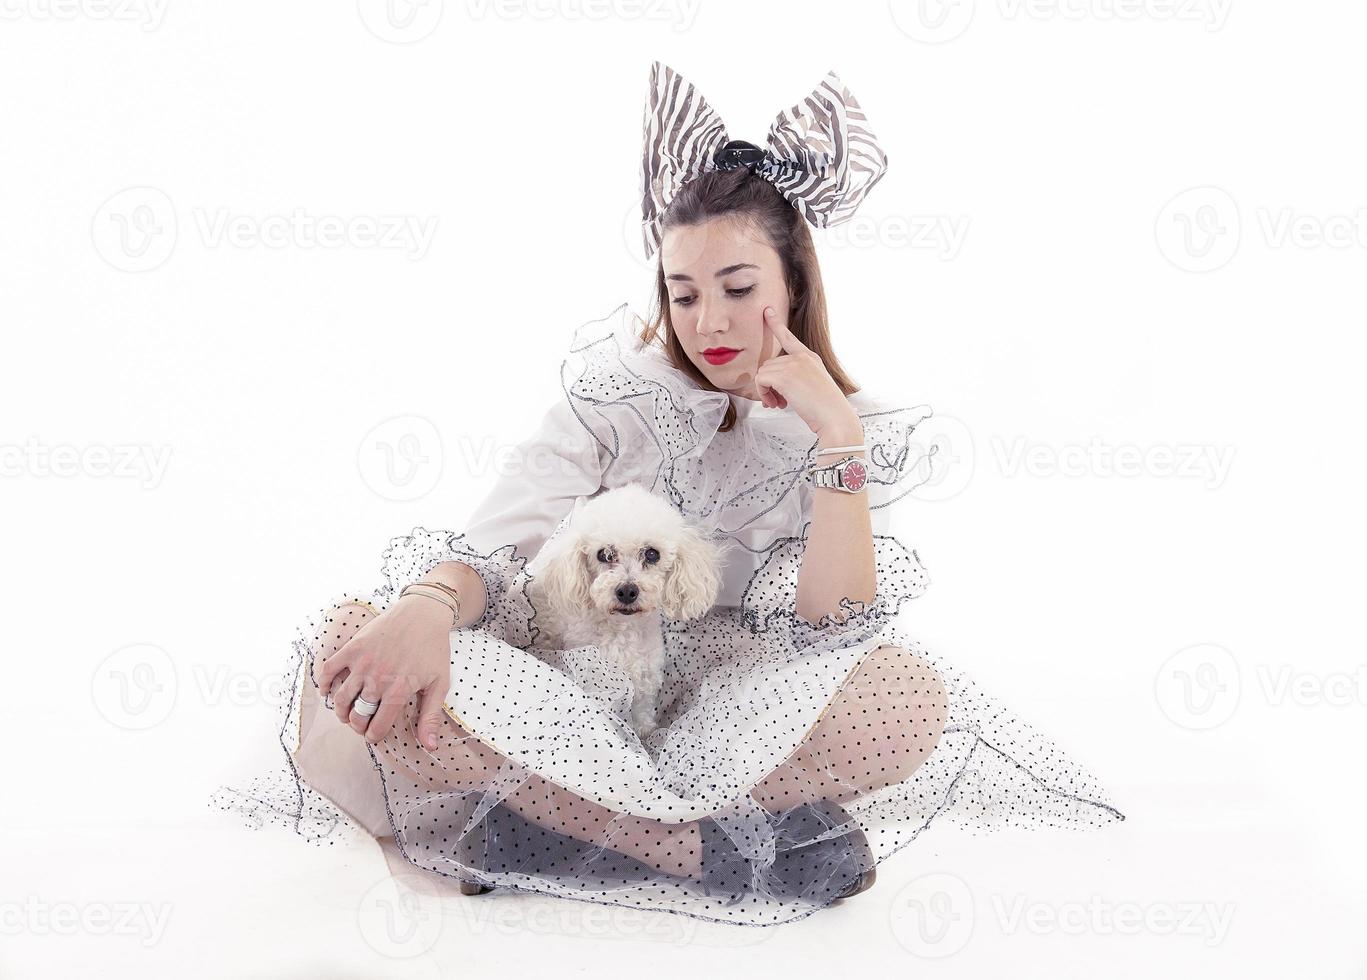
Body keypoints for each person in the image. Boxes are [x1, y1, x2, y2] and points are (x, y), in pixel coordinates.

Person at [212, 61, 1124, 928]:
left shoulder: (853, 430)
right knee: (348, 640)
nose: (710, 322)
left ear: (792, 283)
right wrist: (425, 602)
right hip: (567, 698)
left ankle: (541, 833)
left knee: (908, 696)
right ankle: (686, 852)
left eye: (737, 288)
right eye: (683, 294)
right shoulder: (617, 394)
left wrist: (834, 441)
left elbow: (829, 631)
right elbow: (501, 540)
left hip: (728, 722)